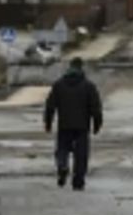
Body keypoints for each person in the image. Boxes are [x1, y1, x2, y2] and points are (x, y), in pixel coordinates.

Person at [43, 57, 103, 191]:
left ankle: (62, 166)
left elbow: (50, 106)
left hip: (64, 125)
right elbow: (95, 108)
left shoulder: (59, 85)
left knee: (62, 150)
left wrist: (48, 122)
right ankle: (78, 181)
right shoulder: (89, 86)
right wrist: (97, 124)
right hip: (82, 127)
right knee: (81, 155)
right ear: (82, 68)